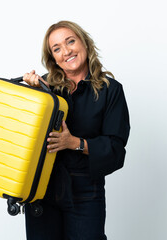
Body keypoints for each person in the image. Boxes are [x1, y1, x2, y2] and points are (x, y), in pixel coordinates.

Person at [22, 20, 130, 240]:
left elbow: (116, 150)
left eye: (70, 41)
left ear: (85, 43)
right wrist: (30, 96)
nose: (66, 51)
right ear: (53, 58)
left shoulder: (111, 91)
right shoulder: (44, 88)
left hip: (85, 193)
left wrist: (74, 143)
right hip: (42, 188)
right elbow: (23, 135)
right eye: (57, 48)